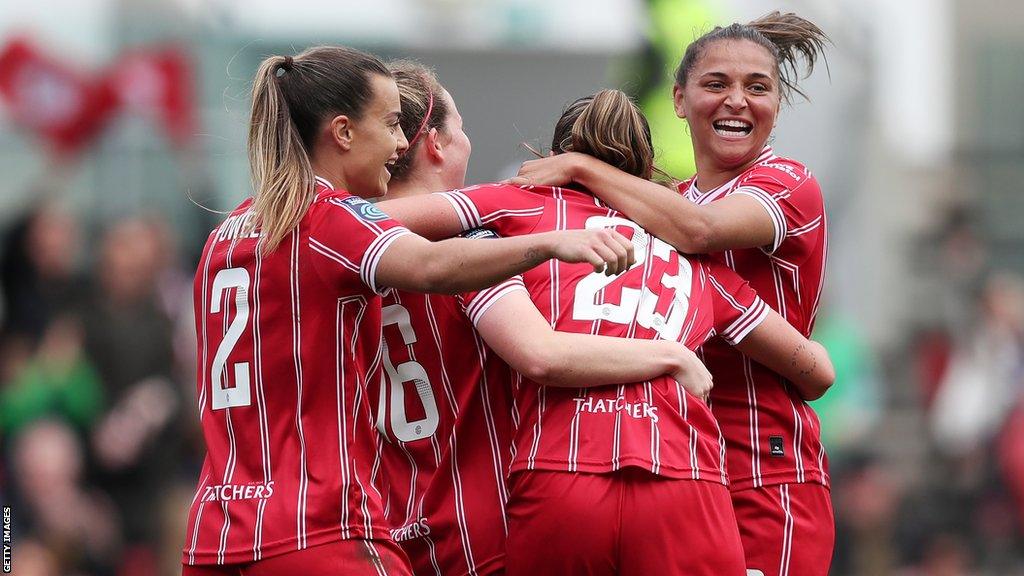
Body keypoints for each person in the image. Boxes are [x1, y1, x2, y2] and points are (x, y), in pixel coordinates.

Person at [180, 46, 636, 576]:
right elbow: (446, 277)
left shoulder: (225, 237)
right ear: (344, 132)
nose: (400, 144)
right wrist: (552, 243)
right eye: (392, 124)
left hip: (217, 534)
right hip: (323, 528)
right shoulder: (330, 220)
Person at [378, 88, 834, 575]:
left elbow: (367, 222)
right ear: (644, 174)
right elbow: (817, 372)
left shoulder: (514, 208)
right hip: (684, 478)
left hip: (559, 472)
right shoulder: (697, 264)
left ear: (553, 160)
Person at [508, 12, 834, 576]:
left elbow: (699, 232)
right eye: (717, 85)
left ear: (777, 107)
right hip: (674, 467)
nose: (737, 101)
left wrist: (583, 165)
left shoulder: (787, 181)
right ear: (679, 100)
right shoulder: (664, 202)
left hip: (764, 469)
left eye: (758, 88)